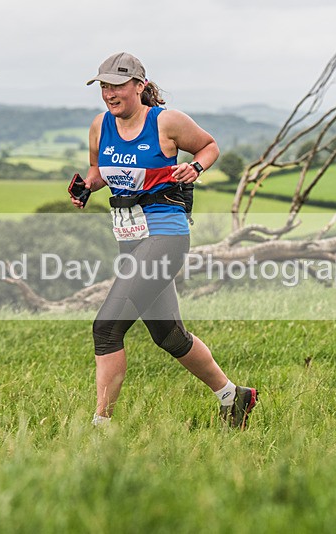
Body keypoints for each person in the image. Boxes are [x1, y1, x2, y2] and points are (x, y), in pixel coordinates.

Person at [70, 51, 257, 428]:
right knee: (169, 335)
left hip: (166, 235)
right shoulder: (99, 125)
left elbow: (209, 145)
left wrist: (196, 166)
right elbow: (99, 170)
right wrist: (87, 185)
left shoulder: (165, 122)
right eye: (104, 86)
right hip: (130, 237)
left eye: (117, 85)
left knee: (106, 327)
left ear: (139, 86)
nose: (109, 93)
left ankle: (99, 428)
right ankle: (234, 397)